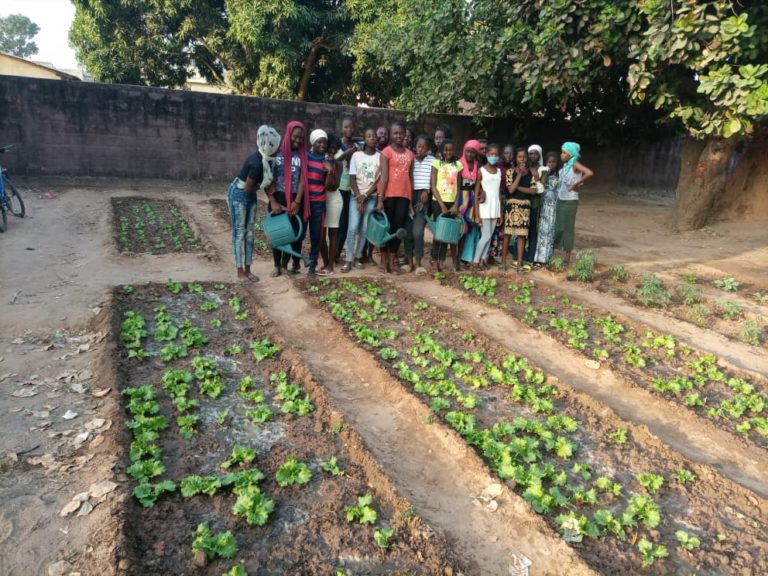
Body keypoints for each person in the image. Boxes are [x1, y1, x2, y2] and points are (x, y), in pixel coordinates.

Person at [228, 125, 281, 282]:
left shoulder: (266, 159)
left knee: (250, 232)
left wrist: (270, 194)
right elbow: (249, 187)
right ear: (268, 146)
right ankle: (240, 271)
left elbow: (264, 183)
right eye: (275, 146)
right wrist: (264, 185)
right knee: (239, 233)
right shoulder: (257, 163)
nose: (277, 150)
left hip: (249, 195)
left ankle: (248, 269)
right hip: (238, 194)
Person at [268, 120, 308, 277]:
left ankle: (285, 265)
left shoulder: (302, 154)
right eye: (295, 136)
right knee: (277, 232)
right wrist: (272, 200)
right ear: (289, 133)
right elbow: (267, 177)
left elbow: (302, 179)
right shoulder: (276, 151)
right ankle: (276, 265)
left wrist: (297, 201)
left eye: (301, 138)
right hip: (278, 196)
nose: (298, 141)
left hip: (294, 199)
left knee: (291, 233)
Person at [377, 122, 415, 274]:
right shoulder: (386, 152)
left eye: (401, 133)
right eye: (396, 133)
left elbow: (410, 177)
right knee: (387, 227)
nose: (399, 136)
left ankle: (392, 261)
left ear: (405, 134)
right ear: (391, 135)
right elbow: (384, 177)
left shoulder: (410, 154)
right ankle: (383, 258)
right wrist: (380, 199)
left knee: (398, 228)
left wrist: (411, 200)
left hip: (404, 196)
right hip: (389, 195)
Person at [342, 128, 380, 273]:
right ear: (364, 138)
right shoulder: (356, 156)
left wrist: (365, 196)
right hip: (355, 197)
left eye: (374, 136)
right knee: (352, 227)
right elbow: (352, 178)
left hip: (371, 198)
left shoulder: (379, 157)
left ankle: (358, 257)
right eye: (369, 136)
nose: (372, 138)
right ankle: (348, 259)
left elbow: (378, 181)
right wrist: (359, 197)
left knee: (364, 228)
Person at [554, 142, 594, 265]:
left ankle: (567, 258)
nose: (562, 154)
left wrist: (577, 184)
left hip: (570, 201)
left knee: (567, 228)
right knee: (558, 227)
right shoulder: (566, 166)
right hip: (561, 200)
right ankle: (555, 254)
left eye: (564, 152)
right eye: (562, 152)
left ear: (571, 154)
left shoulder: (575, 164)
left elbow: (589, 173)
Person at [502, 148, 537, 272]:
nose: (522, 159)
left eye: (524, 157)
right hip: (511, 207)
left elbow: (533, 191)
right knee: (507, 234)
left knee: (521, 236)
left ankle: (519, 264)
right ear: (515, 159)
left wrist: (518, 187)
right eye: (519, 157)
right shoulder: (510, 172)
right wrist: (520, 175)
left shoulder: (531, 174)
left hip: (524, 208)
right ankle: (503, 263)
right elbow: (510, 190)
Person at [306, 129, 335, 276]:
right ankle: (296, 262)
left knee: (316, 235)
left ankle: (312, 264)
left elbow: (329, 186)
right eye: (319, 141)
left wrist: (330, 172)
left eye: (324, 141)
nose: (323, 144)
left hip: (319, 203)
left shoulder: (327, 161)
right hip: (304, 202)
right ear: (313, 143)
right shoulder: (305, 157)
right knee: (299, 234)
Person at [430, 139, 462, 272]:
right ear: (442, 151)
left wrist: (455, 205)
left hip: (451, 203)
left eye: (450, 149)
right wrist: (442, 204)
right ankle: (434, 259)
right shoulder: (436, 163)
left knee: (446, 233)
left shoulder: (458, 165)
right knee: (439, 232)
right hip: (438, 202)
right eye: (446, 149)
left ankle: (441, 260)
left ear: (454, 150)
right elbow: (433, 186)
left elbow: (459, 186)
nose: (448, 152)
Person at [405, 134, 435, 274]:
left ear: (428, 149)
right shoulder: (410, 159)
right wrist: (409, 199)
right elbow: (407, 178)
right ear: (415, 147)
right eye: (419, 146)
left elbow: (434, 180)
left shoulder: (432, 161)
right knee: (408, 232)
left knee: (418, 232)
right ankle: (409, 262)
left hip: (423, 199)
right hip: (409, 195)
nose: (421, 149)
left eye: (424, 147)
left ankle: (418, 263)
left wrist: (427, 190)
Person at [473, 143, 502, 268]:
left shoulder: (499, 171)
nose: (494, 157)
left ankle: (483, 260)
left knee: (490, 236)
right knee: (485, 235)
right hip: (485, 207)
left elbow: (499, 192)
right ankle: (475, 261)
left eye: (496, 155)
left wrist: (500, 212)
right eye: (491, 154)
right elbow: (476, 193)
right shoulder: (481, 171)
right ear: (487, 154)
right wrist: (477, 214)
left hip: (495, 207)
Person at [320, 133, 343, 274]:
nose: (332, 151)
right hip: (320, 200)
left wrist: (330, 171)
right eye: (330, 147)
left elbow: (332, 186)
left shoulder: (338, 164)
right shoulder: (319, 160)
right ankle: (325, 262)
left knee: (332, 234)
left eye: (335, 148)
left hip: (334, 200)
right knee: (321, 235)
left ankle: (330, 265)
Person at [336, 116, 358, 263]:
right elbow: (335, 160)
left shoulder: (357, 146)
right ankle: (334, 253)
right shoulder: (336, 145)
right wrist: (351, 151)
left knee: (347, 223)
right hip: (339, 188)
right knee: (338, 222)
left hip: (352, 189)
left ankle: (339, 253)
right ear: (341, 129)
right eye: (346, 127)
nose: (348, 129)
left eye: (351, 127)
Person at [533, 152, 560, 265]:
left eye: (554, 162)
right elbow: (539, 189)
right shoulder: (542, 175)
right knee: (540, 231)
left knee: (550, 233)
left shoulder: (559, 176)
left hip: (553, 209)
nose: (551, 164)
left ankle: (547, 258)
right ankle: (537, 258)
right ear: (545, 163)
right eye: (549, 162)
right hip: (542, 207)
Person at [457, 140, 480, 268]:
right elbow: (457, 185)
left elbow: (477, 185)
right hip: (460, 198)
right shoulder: (459, 164)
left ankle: (462, 257)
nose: (470, 154)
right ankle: (456, 258)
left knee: (467, 229)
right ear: (464, 151)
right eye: (468, 151)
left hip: (471, 199)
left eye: (473, 152)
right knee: (460, 227)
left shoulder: (477, 165)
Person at [524, 144, 544, 264]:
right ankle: (520, 255)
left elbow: (541, 190)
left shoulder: (543, 169)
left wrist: (536, 177)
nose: (532, 156)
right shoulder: (523, 167)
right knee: (521, 231)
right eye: (530, 153)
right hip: (523, 202)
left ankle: (530, 257)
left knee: (533, 230)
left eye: (535, 153)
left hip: (535, 203)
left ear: (539, 155)